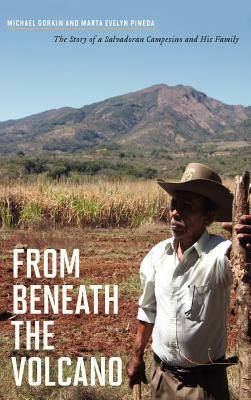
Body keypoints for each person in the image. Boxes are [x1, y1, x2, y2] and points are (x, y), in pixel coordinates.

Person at [126, 163, 251, 400]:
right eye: (174, 204)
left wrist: (246, 248)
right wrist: (136, 355)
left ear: (208, 217)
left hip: (204, 385)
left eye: (187, 207)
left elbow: (240, 264)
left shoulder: (220, 253)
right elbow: (148, 309)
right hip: (161, 376)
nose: (176, 212)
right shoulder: (158, 254)